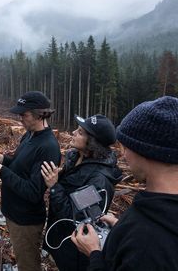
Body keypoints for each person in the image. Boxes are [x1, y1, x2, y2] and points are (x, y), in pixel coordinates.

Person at [71, 96, 178, 271]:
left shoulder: (146, 244)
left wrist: (95, 254)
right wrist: (122, 229)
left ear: (145, 151)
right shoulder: (155, 215)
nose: (122, 153)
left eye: (126, 146)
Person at [0, 91, 61, 271]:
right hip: (14, 212)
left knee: (28, 265)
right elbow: (20, 167)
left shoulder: (48, 147)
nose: (20, 118)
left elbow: (33, 192)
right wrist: (3, 160)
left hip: (26, 221)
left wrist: (1, 171)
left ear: (39, 114)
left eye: (23, 114)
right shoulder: (30, 135)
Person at [41, 114, 122, 271]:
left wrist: (54, 185)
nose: (73, 132)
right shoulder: (76, 156)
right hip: (59, 234)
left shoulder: (99, 180)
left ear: (92, 143)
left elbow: (75, 217)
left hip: (75, 247)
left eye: (80, 132)